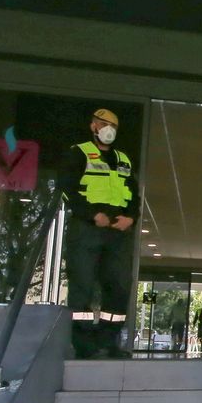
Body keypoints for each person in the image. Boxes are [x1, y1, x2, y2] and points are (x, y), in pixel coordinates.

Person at [58, 108, 138, 359]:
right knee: (82, 285)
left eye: (112, 125)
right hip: (87, 228)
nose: (108, 129)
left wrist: (131, 218)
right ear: (93, 125)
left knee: (118, 287)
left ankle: (108, 341)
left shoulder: (123, 158)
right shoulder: (79, 153)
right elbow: (66, 189)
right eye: (103, 124)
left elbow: (134, 194)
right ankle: (83, 344)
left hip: (118, 231)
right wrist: (92, 215)